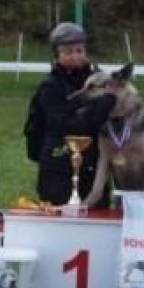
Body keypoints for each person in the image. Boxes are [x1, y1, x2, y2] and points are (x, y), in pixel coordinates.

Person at [24, 22, 114, 208]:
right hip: (58, 167)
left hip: (95, 166)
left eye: (79, 50)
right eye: (67, 52)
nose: (75, 56)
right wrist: (96, 111)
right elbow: (64, 123)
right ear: (57, 55)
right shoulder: (50, 86)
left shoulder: (102, 81)